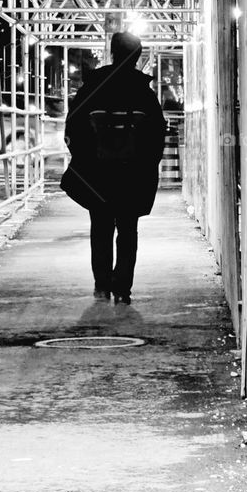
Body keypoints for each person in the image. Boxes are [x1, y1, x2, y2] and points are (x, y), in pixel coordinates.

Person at [60, 31, 166, 303]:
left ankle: (102, 284)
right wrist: (144, 166)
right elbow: (156, 136)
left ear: (112, 52)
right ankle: (123, 287)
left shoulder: (92, 87)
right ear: (137, 57)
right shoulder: (144, 92)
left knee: (101, 228)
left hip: (98, 175)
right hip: (132, 175)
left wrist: (87, 161)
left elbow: (73, 129)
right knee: (128, 230)